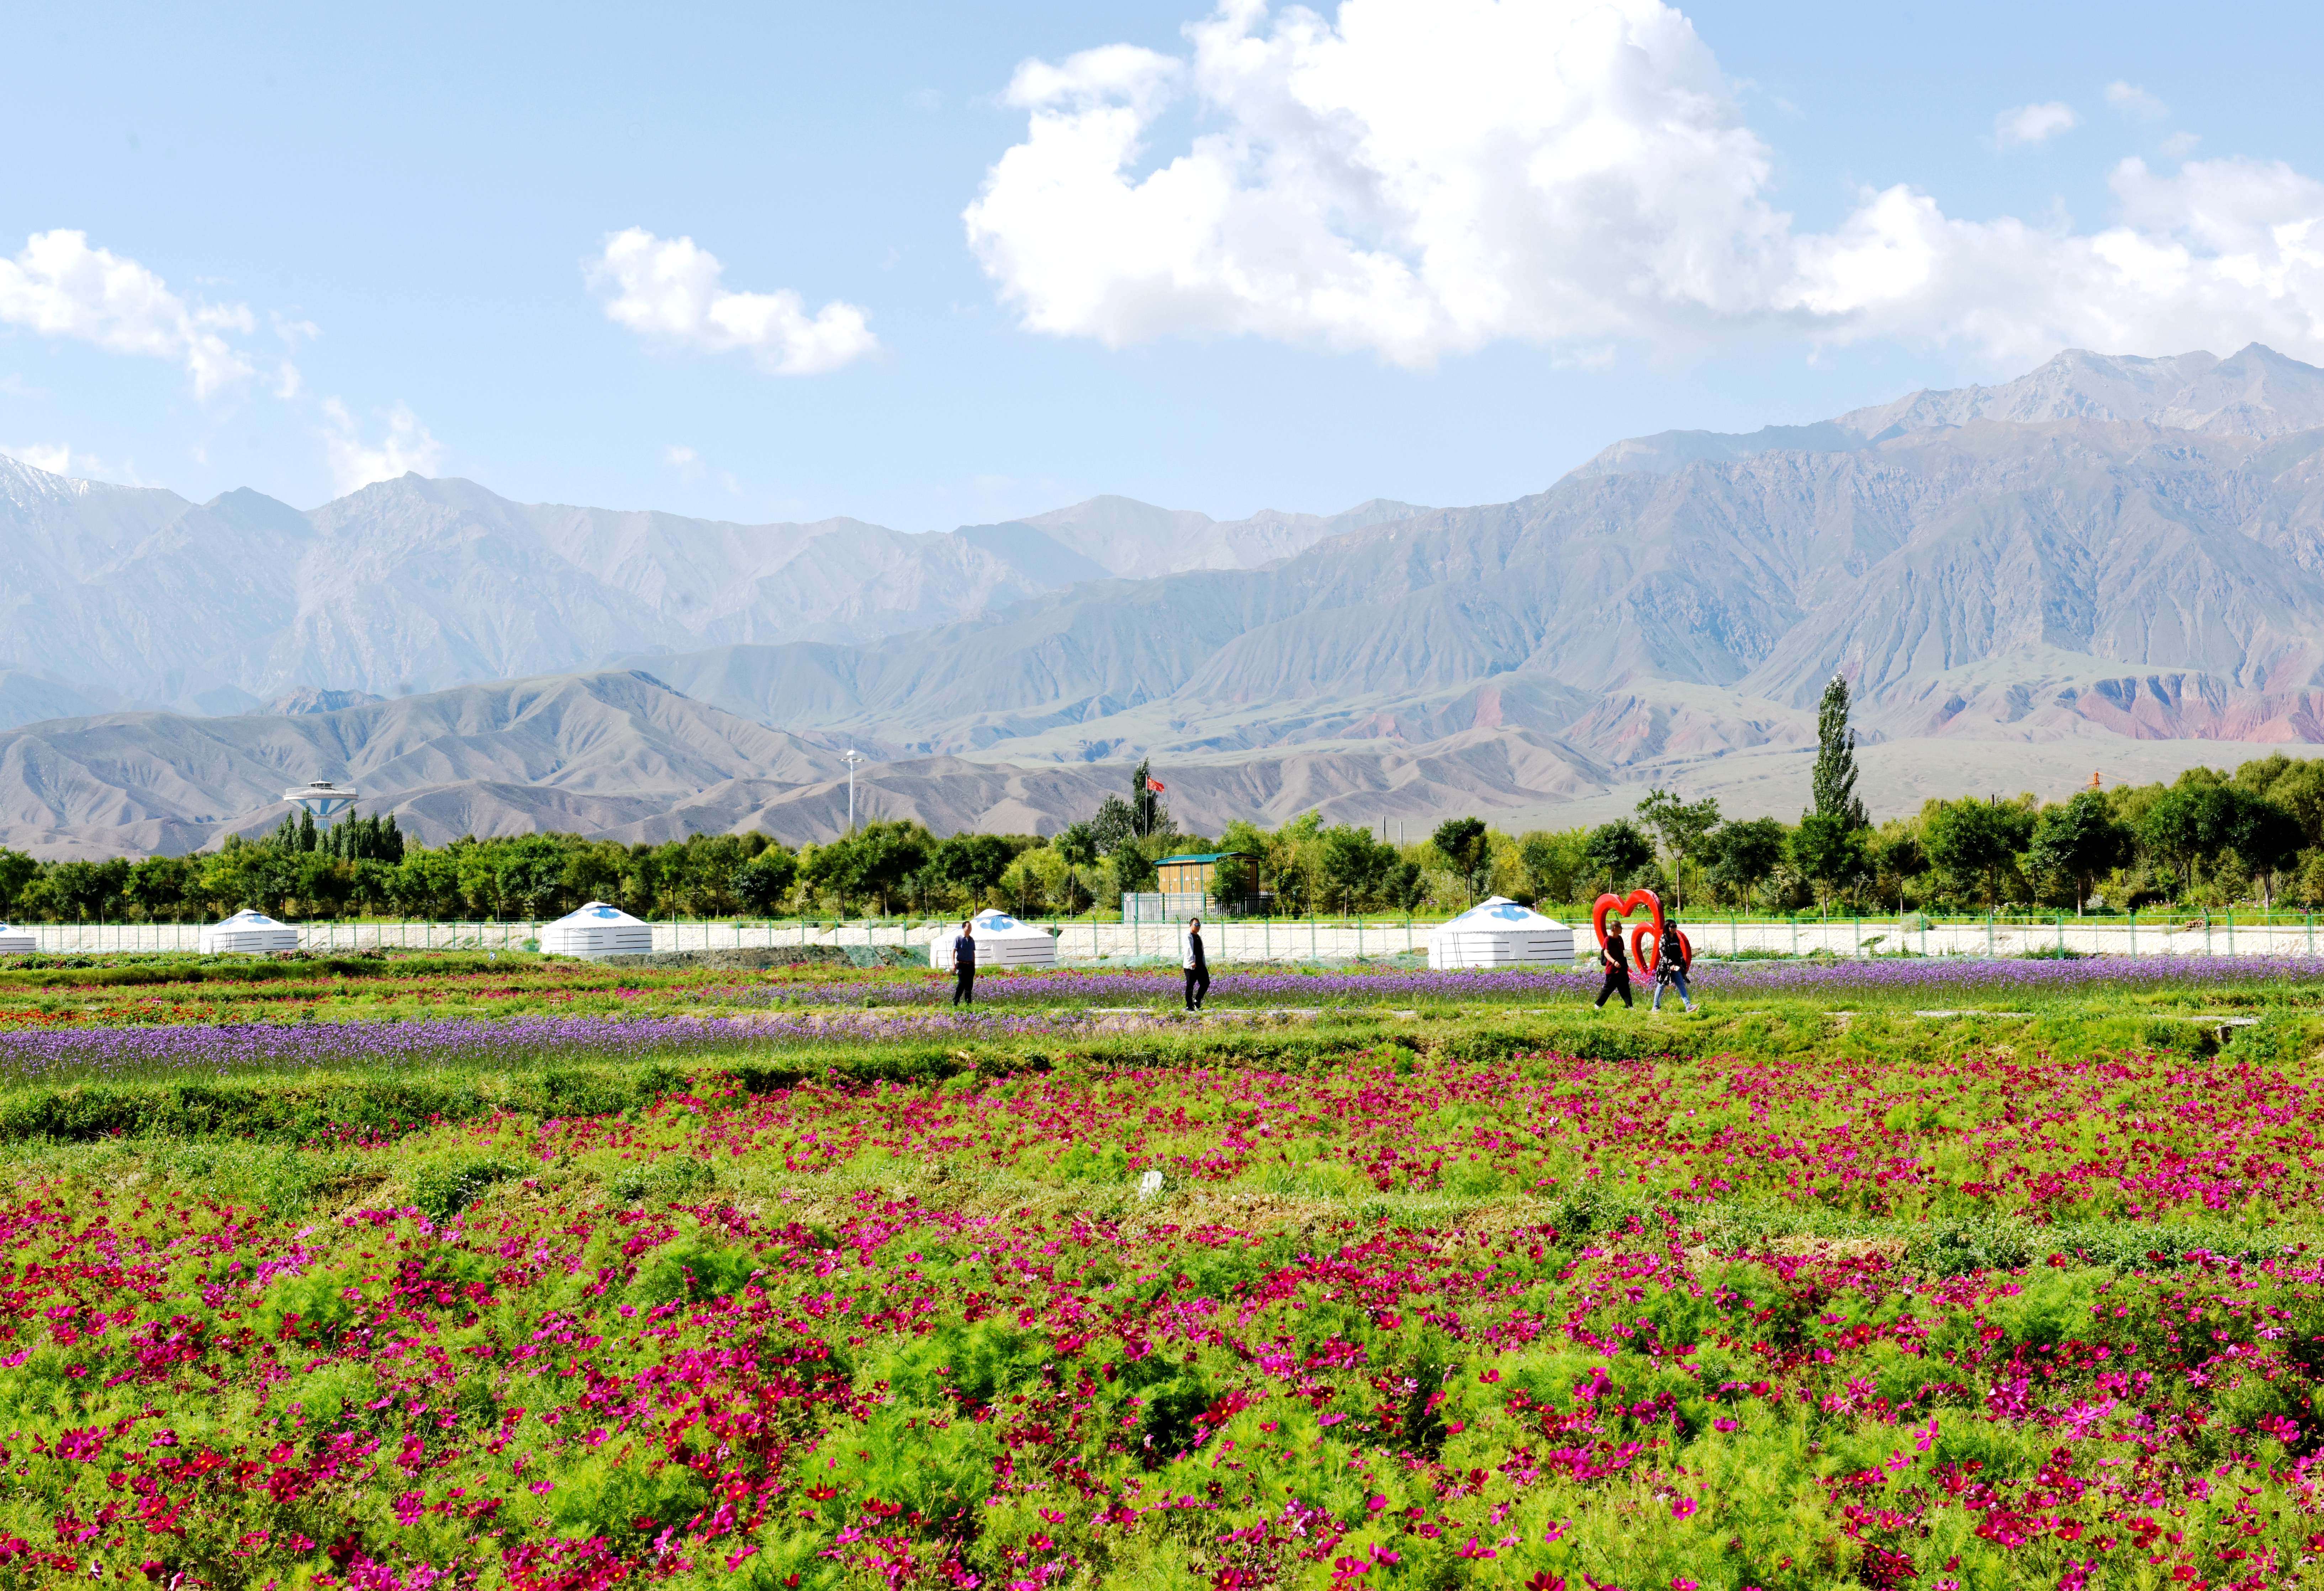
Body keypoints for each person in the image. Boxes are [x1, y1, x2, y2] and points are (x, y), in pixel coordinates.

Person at [1650, 915, 1694, 1013]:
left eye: (1675, 926)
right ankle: (1655, 1007)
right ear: (1667, 928)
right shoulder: (1663, 939)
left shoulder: (1676, 938)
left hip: (1676, 967)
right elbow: (1663, 954)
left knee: (1681, 985)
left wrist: (1683, 964)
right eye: (1672, 927)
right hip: (1666, 967)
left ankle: (1688, 1006)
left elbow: (1679, 952)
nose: (1674, 929)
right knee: (1661, 985)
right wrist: (1670, 964)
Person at [1593, 923, 1632, 1009]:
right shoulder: (1608, 939)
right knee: (1608, 988)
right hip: (1612, 969)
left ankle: (1630, 1006)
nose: (1622, 929)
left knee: (1625, 988)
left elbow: (1622, 952)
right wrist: (1614, 962)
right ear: (1615, 928)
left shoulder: (1620, 938)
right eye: (1620, 927)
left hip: (1622, 968)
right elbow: (1606, 953)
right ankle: (1598, 1005)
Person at [1182, 915, 1210, 1010]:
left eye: (1199, 925)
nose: (1198, 927)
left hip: (1200, 965)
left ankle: (1197, 1001)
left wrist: (1203, 963)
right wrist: (1192, 962)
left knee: (1206, 982)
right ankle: (1189, 1006)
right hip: (1192, 966)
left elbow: (1201, 951)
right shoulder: (1188, 936)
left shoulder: (1198, 936)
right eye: (1196, 924)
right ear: (1191, 925)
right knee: (1190, 986)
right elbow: (1189, 949)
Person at [950, 917, 976, 1007]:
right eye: (968, 927)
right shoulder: (959, 939)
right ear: (963, 928)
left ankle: (968, 1005)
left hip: (970, 965)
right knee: (961, 984)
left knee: (969, 986)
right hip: (961, 965)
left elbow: (973, 953)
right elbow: (953, 952)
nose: (970, 929)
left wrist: (974, 966)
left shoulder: (972, 940)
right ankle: (955, 1002)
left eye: (971, 927)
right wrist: (954, 965)